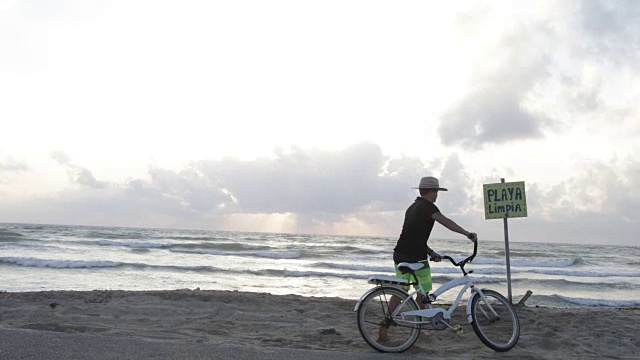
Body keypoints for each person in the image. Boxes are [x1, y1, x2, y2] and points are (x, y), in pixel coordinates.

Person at [379, 176, 477, 341]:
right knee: (423, 294)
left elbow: (413, 236)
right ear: (433, 191)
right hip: (416, 258)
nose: (437, 195)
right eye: (436, 191)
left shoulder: (413, 207)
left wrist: (430, 252)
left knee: (403, 291)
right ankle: (419, 326)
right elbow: (445, 221)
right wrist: (467, 234)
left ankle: (386, 323)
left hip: (401, 254)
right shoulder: (427, 207)